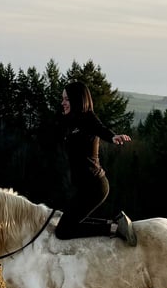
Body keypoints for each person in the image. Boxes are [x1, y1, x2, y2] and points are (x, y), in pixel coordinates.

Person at [54, 80, 137, 246]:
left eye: (66, 99)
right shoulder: (72, 121)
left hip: (94, 186)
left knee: (63, 231)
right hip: (85, 187)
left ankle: (114, 229)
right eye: (62, 98)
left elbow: (100, 128)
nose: (62, 102)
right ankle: (115, 224)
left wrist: (113, 137)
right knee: (69, 223)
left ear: (78, 100)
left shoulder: (87, 118)